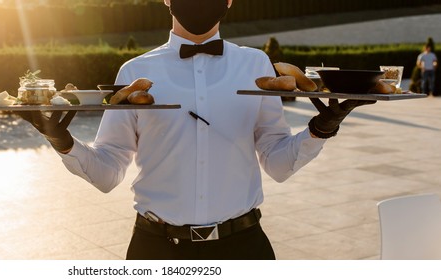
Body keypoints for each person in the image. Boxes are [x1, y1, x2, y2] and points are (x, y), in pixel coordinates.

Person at [21, 0, 373, 260]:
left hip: (244, 247)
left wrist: (320, 129)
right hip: (156, 250)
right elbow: (109, 171)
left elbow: (277, 163)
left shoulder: (256, 65)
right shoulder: (133, 72)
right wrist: (62, 139)